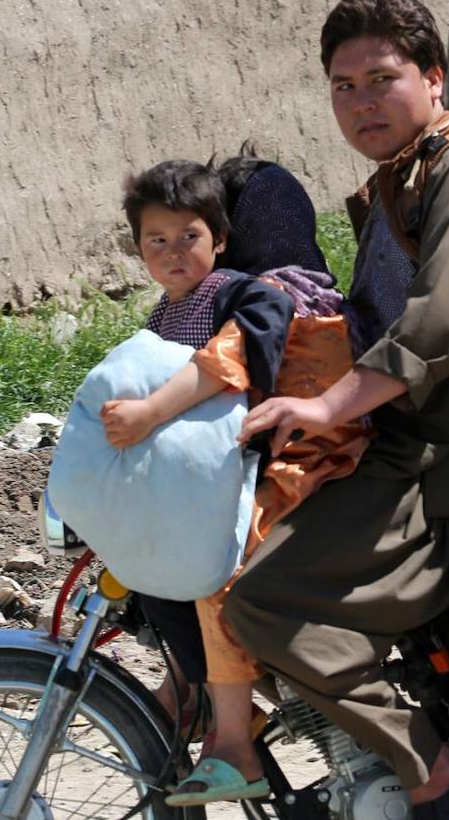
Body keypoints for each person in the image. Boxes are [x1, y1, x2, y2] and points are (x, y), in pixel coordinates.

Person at [226, 0, 449, 820]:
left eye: (381, 78)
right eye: (343, 86)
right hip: (408, 447)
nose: (361, 102)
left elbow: (443, 321)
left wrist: (330, 409)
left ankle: (437, 771)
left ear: (434, 78)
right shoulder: (399, 182)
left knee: (265, 599)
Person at [101, 157, 371, 805]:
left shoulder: (254, 294)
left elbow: (231, 362)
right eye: (155, 241)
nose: (172, 253)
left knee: (215, 565)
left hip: (301, 470)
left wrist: (150, 413)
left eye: (188, 236)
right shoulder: (168, 313)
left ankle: (232, 739)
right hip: (225, 474)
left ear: (223, 237)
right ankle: (205, 702)